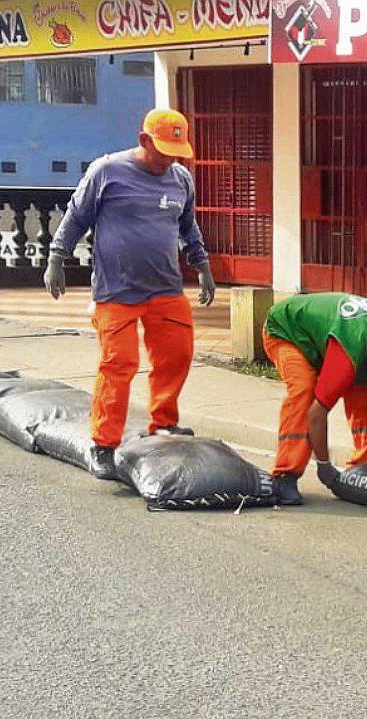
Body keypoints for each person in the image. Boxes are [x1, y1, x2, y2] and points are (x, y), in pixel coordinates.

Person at [43, 108, 217, 480]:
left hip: (165, 288)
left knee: (178, 354)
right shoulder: (106, 171)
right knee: (118, 364)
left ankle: (163, 422)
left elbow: (189, 227)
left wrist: (202, 267)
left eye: (175, 151)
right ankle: (103, 444)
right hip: (116, 291)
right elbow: (76, 216)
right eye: (163, 150)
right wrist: (56, 258)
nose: (168, 158)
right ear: (143, 141)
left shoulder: (181, 179)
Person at [262, 292, 367, 505]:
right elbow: (317, 413)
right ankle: (284, 476)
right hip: (286, 331)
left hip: (331, 336)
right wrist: (324, 465)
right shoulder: (350, 352)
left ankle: (365, 470)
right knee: (304, 389)